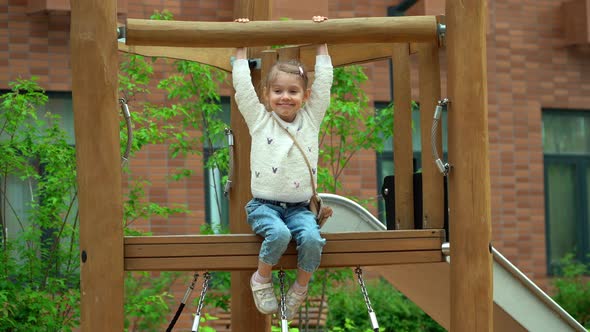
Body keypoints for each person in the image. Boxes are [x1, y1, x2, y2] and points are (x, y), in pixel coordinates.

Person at [232, 16, 333, 320]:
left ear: (304, 97)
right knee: (277, 235)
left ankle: (300, 288)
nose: (285, 97)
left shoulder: (311, 120)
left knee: (313, 240)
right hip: (265, 206)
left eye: (293, 91)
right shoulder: (259, 120)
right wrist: (239, 46)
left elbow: (325, 84)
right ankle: (261, 278)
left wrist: (322, 41)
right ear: (267, 95)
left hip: (301, 208)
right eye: (278, 91)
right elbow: (242, 89)